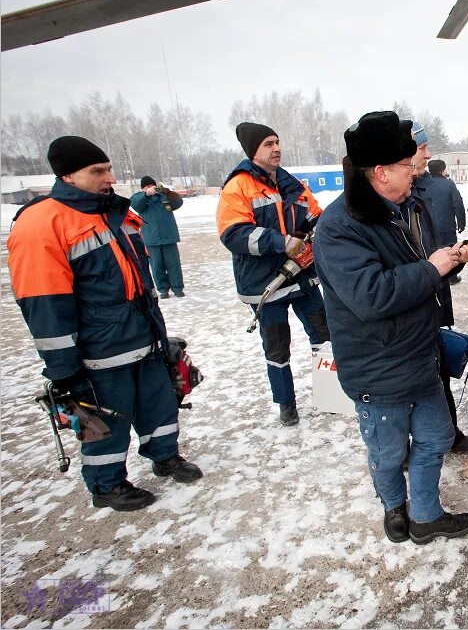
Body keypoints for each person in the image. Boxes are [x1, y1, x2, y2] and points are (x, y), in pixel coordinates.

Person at [313, 111, 468, 544]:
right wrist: (432, 268)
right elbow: (372, 295)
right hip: (378, 367)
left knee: (437, 437)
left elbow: (407, 272)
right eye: (408, 165)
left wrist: (449, 259)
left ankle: (424, 514)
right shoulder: (338, 227)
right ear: (381, 171)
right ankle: (394, 507)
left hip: (418, 357)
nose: (416, 171)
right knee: (388, 454)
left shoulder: (399, 208)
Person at [7, 136, 203, 512]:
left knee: (159, 406)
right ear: (67, 175)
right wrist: (65, 372)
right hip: (98, 353)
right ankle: (108, 485)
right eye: (98, 171)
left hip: (143, 339)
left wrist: (160, 338)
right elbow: (44, 305)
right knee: (105, 422)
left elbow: (139, 283)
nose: (109, 178)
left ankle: (165, 456)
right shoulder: (40, 223)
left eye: (109, 169)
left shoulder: (117, 213)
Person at [217, 122, 330, 427]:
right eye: (268, 144)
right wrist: (281, 242)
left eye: (277, 142)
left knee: (324, 336)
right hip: (265, 284)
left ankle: (331, 392)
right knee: (277, 348)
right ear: (253, 151)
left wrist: (317, 232)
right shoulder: (237, 188)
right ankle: (286, 403)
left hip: (301, 276)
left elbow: (316, 215)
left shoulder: (291, 184)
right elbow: (234, 234)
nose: (276, 148)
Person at [408, 122, 468, 454]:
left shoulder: (427, 191)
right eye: (422, 148)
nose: (429, 153)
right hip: (406, 309)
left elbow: (436, 250)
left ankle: (449, 433)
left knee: (438, 370)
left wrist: (460, 256)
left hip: (433, 299)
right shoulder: (379, 208)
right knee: (408, 384)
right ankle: (406, 447)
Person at [129, 175, 185, 298]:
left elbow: (178, 202)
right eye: (147, 187)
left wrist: (167, 192)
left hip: (169, 237)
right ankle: (163, 289)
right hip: (151, 239)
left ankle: (178, 288)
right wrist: (146, 195)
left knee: (173, 265)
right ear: (143, 188)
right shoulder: (139, 198)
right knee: (157, 266)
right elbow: (134, 204)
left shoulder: (164, 196)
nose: (150, 189)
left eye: (152, 186)